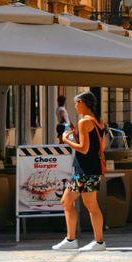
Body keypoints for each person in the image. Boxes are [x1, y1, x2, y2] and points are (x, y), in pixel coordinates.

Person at [52, 92, 107, 252]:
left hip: (84, 170)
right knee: (90, 205)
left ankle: (73, 239)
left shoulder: (84, 122)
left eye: (76, 103)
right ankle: (96, 241)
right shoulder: (99, 122)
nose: (75, 107)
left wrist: (66, 140)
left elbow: (84, 148)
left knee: (67, 202)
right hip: (92, 169)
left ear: (82, 103)